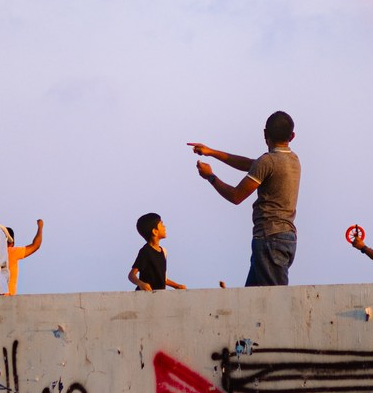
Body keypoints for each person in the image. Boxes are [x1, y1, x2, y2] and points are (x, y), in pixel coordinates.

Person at [190, 111, 300, 287]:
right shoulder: (292, 159)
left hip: (269, 239)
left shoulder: (267, 162)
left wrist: (210, 177)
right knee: (253, 303)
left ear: (265, 134)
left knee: (275, 303)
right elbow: (250, 164)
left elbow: (236, 196)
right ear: (292, 136)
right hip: (284, 237)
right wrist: (211, 152)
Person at [128, 213, 186, 291]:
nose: (164, 226)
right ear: (155, 231)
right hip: (146, 296)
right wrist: (141, 284)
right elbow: (131, 275)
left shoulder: (163, 251)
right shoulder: (145, 251)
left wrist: (177, 286)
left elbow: (163, 278)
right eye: (161, 224)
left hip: (158, 296)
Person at [3, 220, 45, 295]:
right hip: (8, 297)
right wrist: (40, 227)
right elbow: (36, 245)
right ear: (12, 242)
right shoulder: (12, 252)